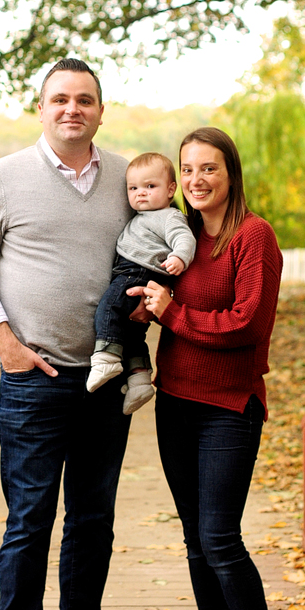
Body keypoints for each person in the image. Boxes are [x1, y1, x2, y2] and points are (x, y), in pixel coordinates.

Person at [0, 58, 138, 610]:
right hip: (34, 381)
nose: (72, 109)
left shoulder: (126, 179)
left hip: (106, 381)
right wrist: (5, 342)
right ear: (40, 108)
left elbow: (157, 251)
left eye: (84, 100)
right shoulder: (2, 179)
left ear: (100, 111)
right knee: (29, 523)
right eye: (59, 99)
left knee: (93, 521)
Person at [128, 126, 283, 610]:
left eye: (208, 168)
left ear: (230, 172)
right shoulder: (182, 236)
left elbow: (248, 324)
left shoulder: (252, 235)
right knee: (196, 539)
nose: (196, 180)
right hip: (176, 403)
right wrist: (141, 306)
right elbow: (155, 296)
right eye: (187, 169)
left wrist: (174, 315)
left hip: (230, 407)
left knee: (220, 535)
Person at [87, 152, 196, 415]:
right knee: (133, 334)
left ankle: (107, 357)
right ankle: (139, 379)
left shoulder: (169, 216)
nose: (141, 194)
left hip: (137, 272)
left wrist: (179, 257)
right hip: (134, 272)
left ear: (171, 189)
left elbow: (184, 238)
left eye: (150, 186)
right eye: (133, 188)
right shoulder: (141, 216)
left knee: (109, 308)